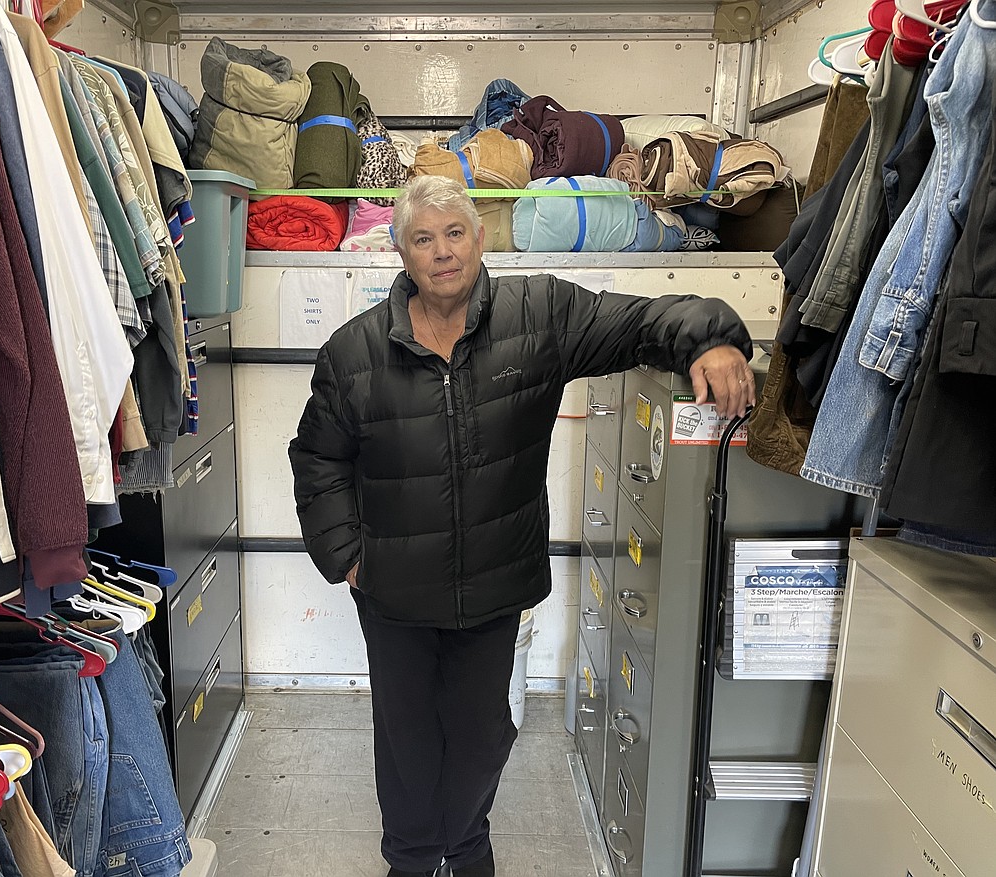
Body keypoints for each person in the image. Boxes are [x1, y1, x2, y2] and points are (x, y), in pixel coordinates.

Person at [289, 176, 755, 877]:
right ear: (401, 251)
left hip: (495, 586)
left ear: (480, 239)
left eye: (455, 233)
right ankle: (412, 860)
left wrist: (710, 339)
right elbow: (317, 458)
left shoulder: (540, 313)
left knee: (482, 736)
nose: (442, 252)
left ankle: (467, 847)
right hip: (392, 594)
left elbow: (640, 322)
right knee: (407, 740)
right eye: (423, 238)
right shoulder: (353, 352)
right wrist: (350, 556)